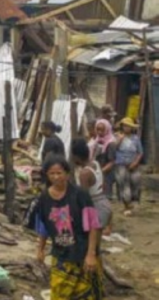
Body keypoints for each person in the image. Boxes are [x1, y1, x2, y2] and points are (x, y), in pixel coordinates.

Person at [31, 155, 104, 299]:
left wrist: (91, 254)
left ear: (67, 173)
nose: (56, 177)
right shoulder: (44, 198)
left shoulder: (80, 195)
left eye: (59, 173)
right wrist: (40, 249)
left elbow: (93, 226)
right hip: (61, 254)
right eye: (52, 173)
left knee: (87, 294)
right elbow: (44, 227)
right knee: (59, 292)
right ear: (46, 174)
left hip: (83, 253)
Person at [71, 138, 112, 239]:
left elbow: (83, 198)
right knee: (95, 242)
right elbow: (103, 185)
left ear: (76, 156)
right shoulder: (96, 163)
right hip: (104, 204)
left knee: (91, 242)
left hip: (95, 208)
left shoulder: (84, 173)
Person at [114, 117, 143, 216]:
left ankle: (132, 203)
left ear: (132, 128)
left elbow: (140, 153)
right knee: (124, 184)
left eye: (128, 126)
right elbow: (114, 148)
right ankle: (126, 206)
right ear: (122, 127)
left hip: (133, 164)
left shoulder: (136, 138)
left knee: (135, 183)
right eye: (125, 126)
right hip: (121, 164)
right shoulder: (118, 136)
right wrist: (120, 140)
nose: (126, 128)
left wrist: (135, 163)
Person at [92, 119, 117, 201]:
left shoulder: (111, 143)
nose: (99, 132)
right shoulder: (97, 140)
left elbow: (112, 161)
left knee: (105, 196)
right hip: (98, 171)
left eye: (102, 130)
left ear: (107, 130)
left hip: (107, 173)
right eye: (97, 129)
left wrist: (101, 171)